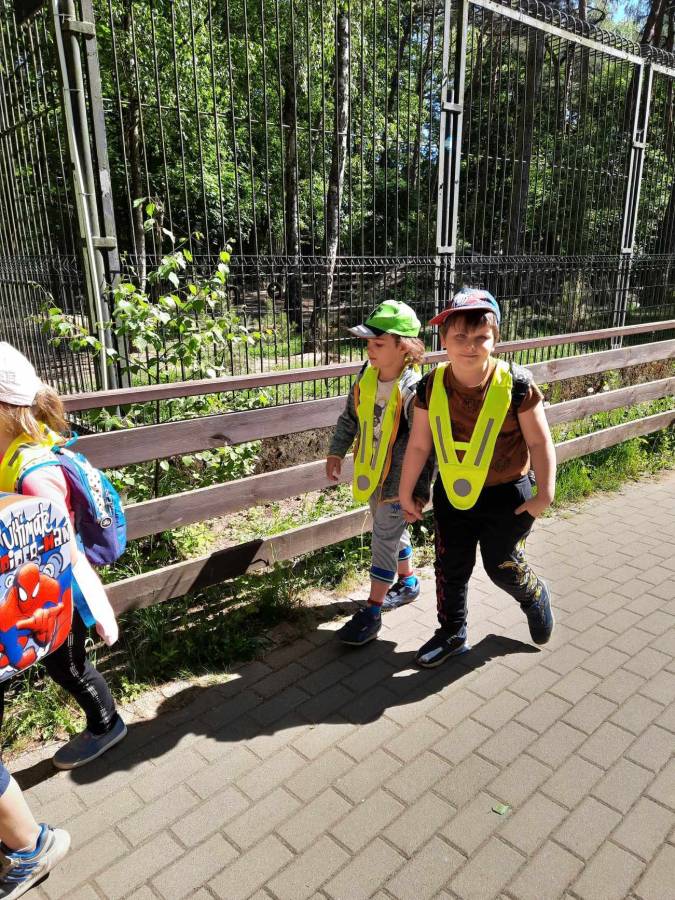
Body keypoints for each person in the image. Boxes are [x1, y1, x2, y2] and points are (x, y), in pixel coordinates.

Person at [399, 288, 555, 667]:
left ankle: (534, 595)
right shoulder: (430, 386)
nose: (470, 346)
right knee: (450, 566)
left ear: (495, 339)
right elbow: (419, 445)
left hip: (509, 495)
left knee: (501, 566)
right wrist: (407, 492)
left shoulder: (516, 384)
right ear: (444, 340)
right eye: (460, 336)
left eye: (481, 337)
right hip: (453, 494)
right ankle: (452, 632)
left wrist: (545, 493)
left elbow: (539, 441)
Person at [0, 343, 126, 769]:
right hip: (23, 587)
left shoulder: (34, 472)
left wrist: (95, 609)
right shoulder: (10, 450)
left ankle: (106, 724)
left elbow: (66, 549)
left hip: (55, 591)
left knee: (68, 667)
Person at [326, 300, 432, 645]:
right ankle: (409, 582)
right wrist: (336, 451)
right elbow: (350, 417)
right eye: (368, 343)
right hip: (371, 474)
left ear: (404, 347)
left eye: (378, 343)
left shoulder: (415, 392)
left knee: (383, 538)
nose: (369, 350)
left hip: (399, 484)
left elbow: (425, 446)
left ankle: (372, 611)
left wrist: (418, 494)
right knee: (387, 531)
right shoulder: (366, 376)